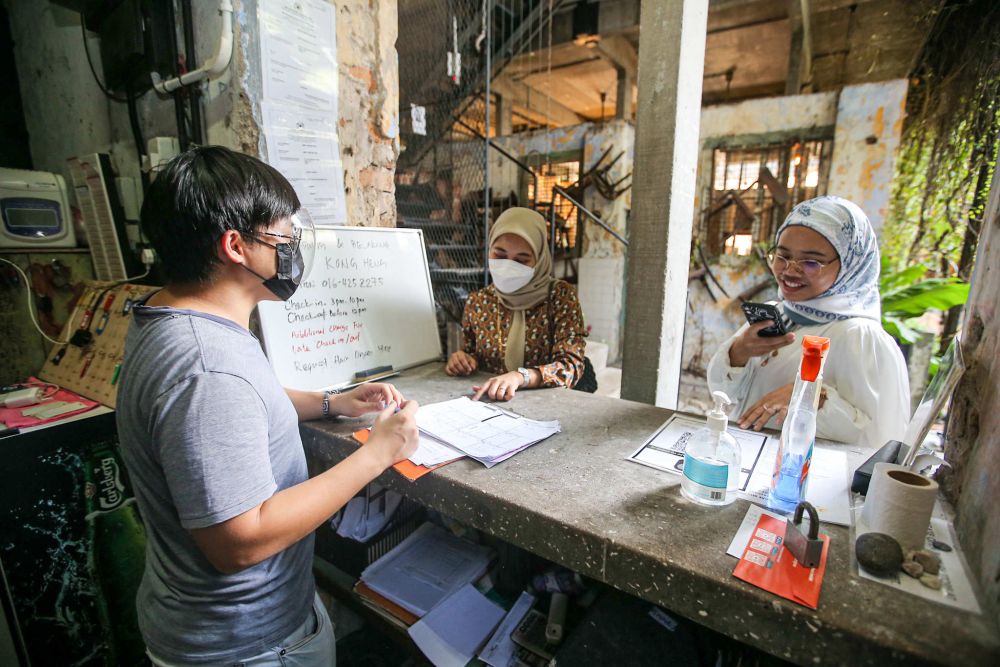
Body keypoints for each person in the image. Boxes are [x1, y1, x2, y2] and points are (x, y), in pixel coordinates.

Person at [116, 146, 419, 666]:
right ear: (235, 246)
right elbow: (240, 541)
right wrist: (377, 454)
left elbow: (235, 408)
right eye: (282, 237)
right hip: (244, 645)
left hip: (224, 627)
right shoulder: (205, 365)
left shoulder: (174, 316)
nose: (291, 248)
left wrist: (329, 401)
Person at [707, 195, 910, 449]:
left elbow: (882, 442)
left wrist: (811, 395)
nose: (790, 270)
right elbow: (721, 393)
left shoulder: (860, 337)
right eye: (782, 256)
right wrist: (739, 352)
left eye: (811, 262)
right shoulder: (778, 313)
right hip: (748, 461)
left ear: (851, 265)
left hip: (802, 481)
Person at [445, 207, 589, 401]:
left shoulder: (560, 297)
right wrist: (462, 360)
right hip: (490, 403)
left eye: (522, 260)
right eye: (500, 255)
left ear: (539, 259)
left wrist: (521, 377)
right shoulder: (479, 301)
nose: (508, 265)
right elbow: (473, 354)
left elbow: (571, 366)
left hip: (547, 405)